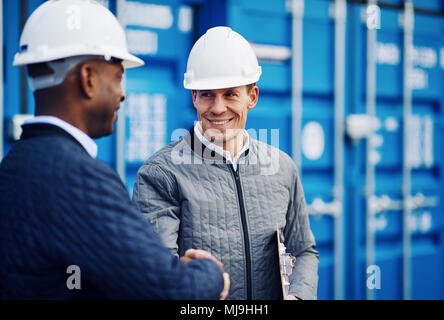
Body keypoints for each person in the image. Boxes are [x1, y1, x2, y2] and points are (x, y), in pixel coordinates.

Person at [0, 0, 229, 300]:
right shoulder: (78, 178)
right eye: (118, 76)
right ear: (88, 79)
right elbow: (169, 290)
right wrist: (209, 274)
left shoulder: (13, 165)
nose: (122, 94)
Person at [133, 26, 319, 300]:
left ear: (251, 97)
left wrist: (299, 296)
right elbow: (154, 276)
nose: (218, 107)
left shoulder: (282, 168)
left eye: (230, 94)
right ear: (194, 97)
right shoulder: (161, 174)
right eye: (207, 94)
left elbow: (303, 251)